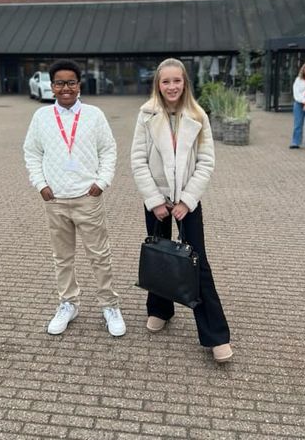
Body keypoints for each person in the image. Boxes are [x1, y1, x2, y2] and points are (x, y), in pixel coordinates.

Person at [130, 58, 232, 363]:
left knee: (197, 264)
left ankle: (215, 335)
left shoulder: (198, 115)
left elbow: (206, 162)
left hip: (188, 204)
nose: (172, 87)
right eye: (166, 81)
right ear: (157, 84)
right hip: (157, 203)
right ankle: (160, 309)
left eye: (177, 81)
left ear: (185, 82)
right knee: (160, 257)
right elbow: (137, 160)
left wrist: (187, 200)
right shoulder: (146, 114)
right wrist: (155, 200)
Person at [23, 59, 126, 337]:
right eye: (59, 83)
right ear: (52, 86)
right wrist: (40, 184)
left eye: (71, 82)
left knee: (99, 255)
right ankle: (68, 303)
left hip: (87, 198)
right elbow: (32, 152)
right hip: (55, 200)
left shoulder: (94, 115)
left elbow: (109, 150)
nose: (65, 88)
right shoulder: (41, 117)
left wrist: (101, 182)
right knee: (62, 258)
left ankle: (109, 305)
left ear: (79, 85)